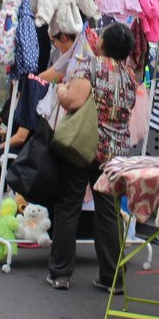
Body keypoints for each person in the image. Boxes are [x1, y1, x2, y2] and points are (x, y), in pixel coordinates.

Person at [47, 22, 137, 292]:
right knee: (108, 212)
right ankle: (113, 278)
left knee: (69, 205)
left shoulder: (92, 66)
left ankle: (60, 273)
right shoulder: (131, 77)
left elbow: (72, 101)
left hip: (85, 145)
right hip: (115, 154)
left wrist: (62, 90)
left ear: (104, 44)